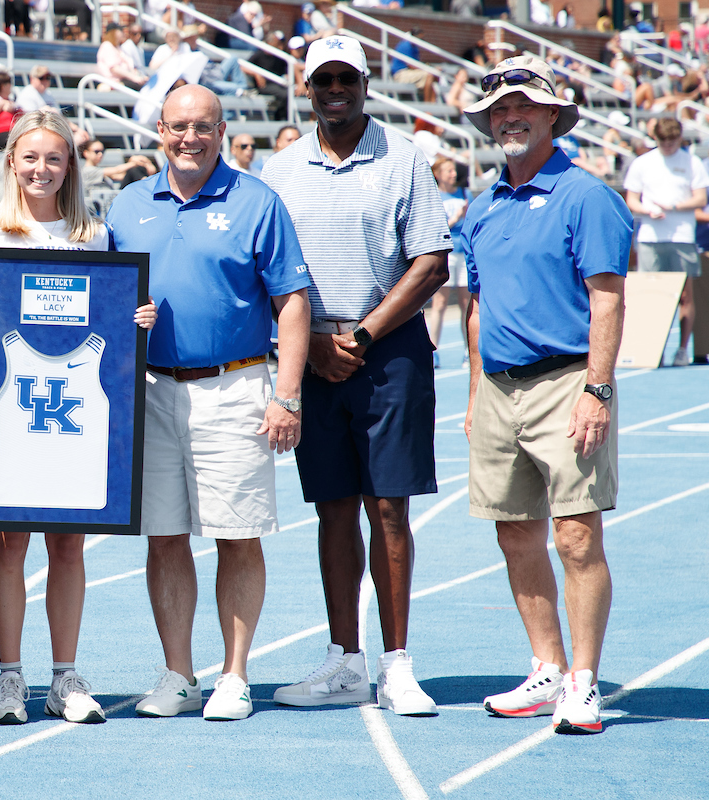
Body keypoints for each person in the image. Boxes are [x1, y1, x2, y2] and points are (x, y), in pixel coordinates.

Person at [0, 111, 157, 725]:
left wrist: (134, 322)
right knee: (7, 543)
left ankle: (65, 676)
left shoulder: (93, 236)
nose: (42, 169)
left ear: (71, 166)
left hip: (74, 420)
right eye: (30, 157)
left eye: (55, 158)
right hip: (11, 416)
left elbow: (112, 318)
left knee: (68, 544)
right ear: (11, 160)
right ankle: (10, 677)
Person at [107, 84, 311, 722]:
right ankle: (177, 674)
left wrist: (287, 396)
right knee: (163, 538)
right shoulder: (125, 206)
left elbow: (293, 303)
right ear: (159, 132)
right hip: (151, 391)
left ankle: (234, 675)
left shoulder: (258, 201)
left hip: (235, 390)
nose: (188, 137)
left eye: (202, 126)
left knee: (237, 537)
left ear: (222, 131)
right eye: (177, 126)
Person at [261, 35, 450, 717]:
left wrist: (362, 334)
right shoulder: (280, 170)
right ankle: (346, 661)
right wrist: (311, 343)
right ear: (305, 88)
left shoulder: (403, 159)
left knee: (389, 507)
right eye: (323, 79)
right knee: (333, 508)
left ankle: (397, 666)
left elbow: (431, 263)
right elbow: (266, 272)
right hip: (310, 352)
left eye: (346, 77)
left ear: (366, 83)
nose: (335, 88)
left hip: (389, 350)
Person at [459, 56, 632, 735]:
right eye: (498, 110)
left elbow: (608, 298)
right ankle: (547, 666)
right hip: (500, 390)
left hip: (567, 382)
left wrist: (597, 388)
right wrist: (475, 394)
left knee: (576, 535)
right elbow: (477, 309)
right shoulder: (480, 206)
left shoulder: (586, 196)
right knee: (515, 535)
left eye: (524, 106)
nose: (510, 117)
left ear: (555, 116)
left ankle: (584, 684)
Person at [623, 118, 708, 366]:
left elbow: (700, 198)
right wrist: (648, 211)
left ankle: (682, 350)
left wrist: (673, 206)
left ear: (680, 138)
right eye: (663, 141)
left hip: (682, 236)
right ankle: (652, 350)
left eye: (672, 141)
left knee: (686, 297)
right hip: (651, 237)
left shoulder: (692, 162)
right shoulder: (643, 163)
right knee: (650, 297)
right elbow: (632, 200)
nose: (668, 146)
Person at [426, 155, 472, 368]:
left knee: (467, 304)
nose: (453, 174)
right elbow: (433, 227)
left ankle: (468, 350)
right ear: (438, 174)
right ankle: (433, 350)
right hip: (446, 253)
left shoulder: (465, 194)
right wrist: (454, 220)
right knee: (440, 303)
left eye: (454, 170)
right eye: (448, 170)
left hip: (464, 253)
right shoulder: (433, 195)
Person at [79, 138, 156, 188]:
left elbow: (122, 176)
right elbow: (117, 170)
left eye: (102, 151)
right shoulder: (87, 171)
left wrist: (143, 162)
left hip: (111, 199)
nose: (100, 154)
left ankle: (148, 183)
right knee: (133, 171)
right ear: (86, 153)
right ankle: (149, 186)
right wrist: (135, 162)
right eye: (96, 151)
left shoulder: (99, 171)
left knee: (135, 171)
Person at [390, 33, 437, 104]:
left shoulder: (414, 47)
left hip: (410, 72)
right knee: (429, 75)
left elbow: (416, 65)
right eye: (420, 39)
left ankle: (432, 105)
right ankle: (428, 105)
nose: (421, 41)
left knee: (434, 76)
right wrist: (428, 68)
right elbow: (412, 65)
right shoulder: (406, 45)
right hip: (401, 73)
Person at [98, 23, 148, 90]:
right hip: (114, 82)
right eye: (121, 31)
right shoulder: (107, 46)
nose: (123, 33)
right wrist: (133, 77)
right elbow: (114, 68)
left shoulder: (118, 48)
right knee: (140, 86)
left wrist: (139, 75)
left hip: (124, 80)